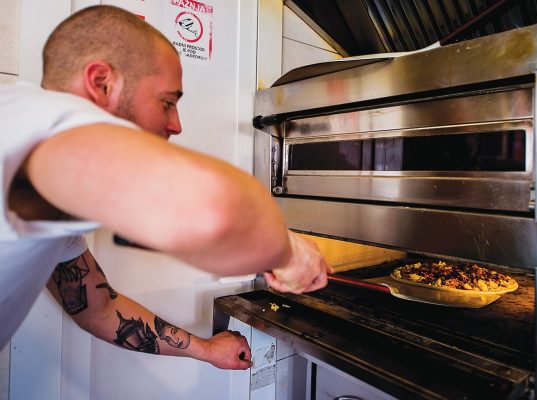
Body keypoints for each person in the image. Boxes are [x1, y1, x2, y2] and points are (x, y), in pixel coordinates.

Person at [1, 5, 330, 371]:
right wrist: (288, 251)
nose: (176, 124)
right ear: (101, 82)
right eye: (167, 102)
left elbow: (100, 309)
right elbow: (217, 215)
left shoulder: (46, 178)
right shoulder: (42, 127)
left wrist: (206, 350)